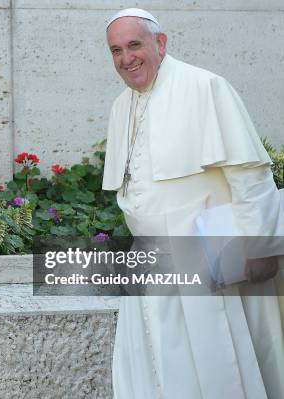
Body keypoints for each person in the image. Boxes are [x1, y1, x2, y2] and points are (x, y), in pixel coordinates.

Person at [102, 8, 284, 399]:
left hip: (207, 257)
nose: (125, 58)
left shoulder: (205, 87)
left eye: (134, 45)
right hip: (148, 259)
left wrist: (262, 246)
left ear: (160, 43)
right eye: (115, 50)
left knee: (215, 367)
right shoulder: (122, 105)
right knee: (152, 365)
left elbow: (250, 176)